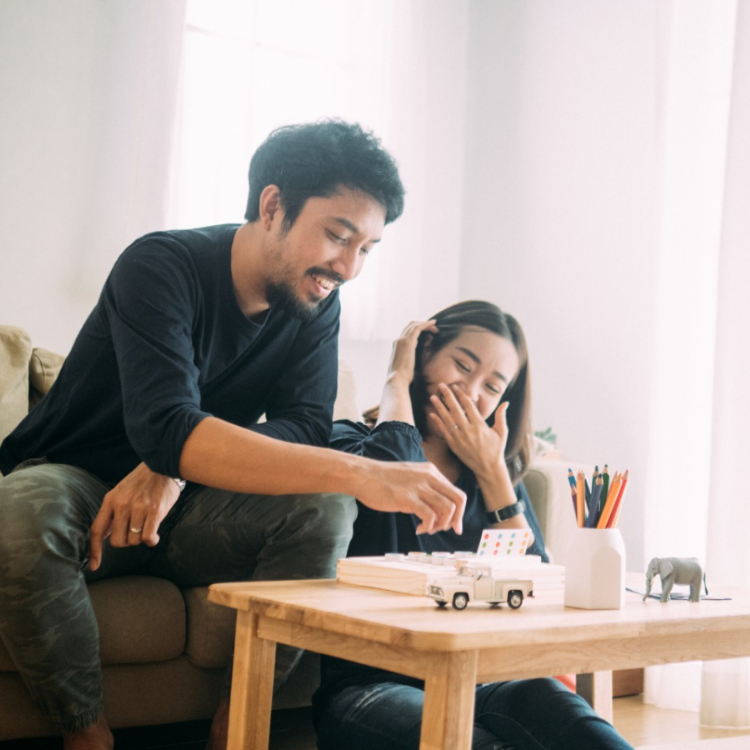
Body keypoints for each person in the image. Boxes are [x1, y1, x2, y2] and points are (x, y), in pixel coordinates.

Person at [0, 120, 466, 750]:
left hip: (194, 511)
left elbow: (304, 424)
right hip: (77, 483)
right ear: (273, 206)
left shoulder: (315, 304)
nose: (350, 267)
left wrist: (174, 464)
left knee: (322, 509)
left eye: (368, 248)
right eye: (338, 235)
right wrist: (364, 472)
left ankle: (237, 727)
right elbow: (166, 422)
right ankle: (86, 735)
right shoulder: (160, 265)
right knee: (19, 512)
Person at [312, 300, 635, 750]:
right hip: (372, 688)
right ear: (423, 355)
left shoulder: (492, 480)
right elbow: (395, 473)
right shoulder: (350, 445)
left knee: (585, 731)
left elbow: (539, 589)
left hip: (486, 680)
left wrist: (495, 475)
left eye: (492, 386)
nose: (471, 391)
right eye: (462, 366)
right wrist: (396, 381)